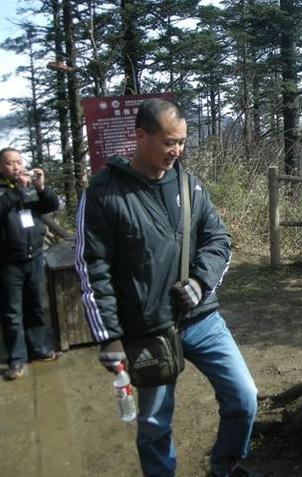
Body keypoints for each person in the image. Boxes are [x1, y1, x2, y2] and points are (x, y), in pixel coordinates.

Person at [75, 98, 261, 477]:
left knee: (244, 398)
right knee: (155, 425)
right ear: (140, 136)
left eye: (181, 142)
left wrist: (201, 281)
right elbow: (93, 268)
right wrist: (109, 337)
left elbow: (219, 240)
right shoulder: (104, 193)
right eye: (168, 142)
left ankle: (225, 465)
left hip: (201, 319)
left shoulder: (190, 186)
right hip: (147, 329)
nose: (176, 151)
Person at [0, 147, 61, 380]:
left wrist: (41, 188)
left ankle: (39, 349)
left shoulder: (29, 186)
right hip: (7, 262)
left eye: (18, 162)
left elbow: (51, 205)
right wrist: (19, 191)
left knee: (35, 306)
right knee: (11, 312)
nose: (16, 167)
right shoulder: (6, 191)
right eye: (9, 163)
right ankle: (16, 359)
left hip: (34, 257)